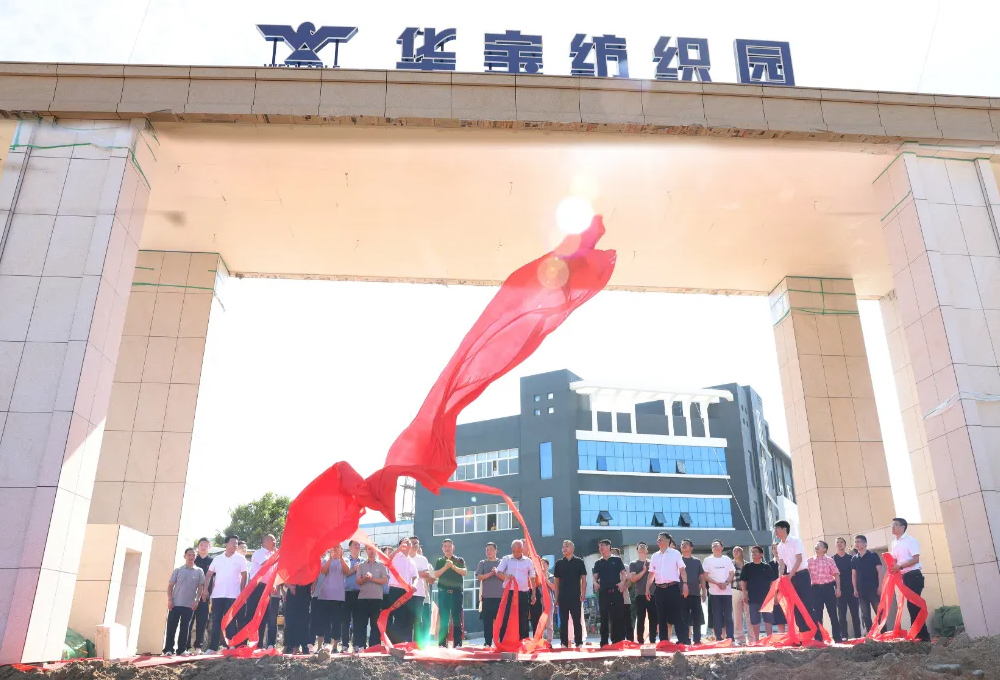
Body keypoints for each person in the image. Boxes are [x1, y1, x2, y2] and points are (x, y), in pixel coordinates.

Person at [889, 517, 930, 642]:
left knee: (914, 606)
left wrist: (900, 566)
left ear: (902, 527)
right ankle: (918, 635)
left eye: (895, 525)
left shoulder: (910, 540)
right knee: (911, 607)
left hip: (914, 575)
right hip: (905, 577)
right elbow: (895, 560)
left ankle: (923, 637)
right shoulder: (894, 543)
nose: (892, 527)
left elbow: (915, 559)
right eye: (892, 525)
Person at [205, 535, 248, 653]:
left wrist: (242, 593)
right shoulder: (217, 558)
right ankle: (213, 647)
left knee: (230, 621)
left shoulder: (240, 559)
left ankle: (231, 645)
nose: (235, 545)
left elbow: (244, 575)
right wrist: (205, 590)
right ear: (226, 544)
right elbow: (209, 574)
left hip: (233, 595)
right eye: (233, 543)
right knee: (216, 621)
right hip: (217, 595)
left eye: (237, 543)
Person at [647, 532, 689, 645]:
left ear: (668, 540)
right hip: (659, 589)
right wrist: (647, 587)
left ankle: (682, 640)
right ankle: (664, 641)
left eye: (661, 539)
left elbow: (682, 570)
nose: (658, 541)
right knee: (661, 616)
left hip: (672, 588)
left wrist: (685, 584)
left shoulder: (675, 553)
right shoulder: (654, 556)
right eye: (658, 539)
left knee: (676, 615)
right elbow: (651, 573)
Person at [163, 548, 205, 655]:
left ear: (196, 557)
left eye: (193, 555)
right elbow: (170, 586)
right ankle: (168, 649)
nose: (191, 557)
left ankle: (181, 650)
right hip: (175, 604)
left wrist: (197, 600)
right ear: (185, 556)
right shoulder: (178, 570)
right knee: (171, 627)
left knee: (185, 628)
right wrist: (169, 600)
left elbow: (200, 587)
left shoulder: (199, 571)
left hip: (189, 605)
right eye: (189, 555)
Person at [774, 520, 811, 635]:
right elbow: (781, 564)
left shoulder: (795, 541)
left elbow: (799, 559)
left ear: (784, 529)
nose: (775, 531)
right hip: (791, 577)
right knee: (795, 606)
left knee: (806, 604)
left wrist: (790, 575)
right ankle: (803, 634)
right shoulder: (779, 546)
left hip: (801, 574)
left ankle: (815, 634)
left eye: (777, 528)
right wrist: (781, 578)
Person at [496, 540, 536, 641]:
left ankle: (523, 640)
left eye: (518, 551)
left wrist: (533, 594)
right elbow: (498, 572)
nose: (515, 553)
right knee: (506, 615)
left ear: (522, 549)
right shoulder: (506, 559)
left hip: (523, 592)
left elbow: (532, 577)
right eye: (513, 551)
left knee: (523, 617)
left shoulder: (528, 561)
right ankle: (503, 640)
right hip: (509, 592)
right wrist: (506, 576)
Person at [313, 545, 349, 651]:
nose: (336, 549)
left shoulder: (345, 560)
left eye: (338, 547)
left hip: (338, 596)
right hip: (324, 595)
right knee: (323, 621)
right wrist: (330, 558)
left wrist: (340, 558)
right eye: (334, 547)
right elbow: (323, 572)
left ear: (341, 549)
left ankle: (335, 647)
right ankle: (320, 646)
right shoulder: (325, 560)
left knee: (336, 622)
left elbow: (347, 571)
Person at [245, 534, 278, 650]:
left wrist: (273, 584)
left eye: (275, 540)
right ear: (264, 542)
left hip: (266, 587)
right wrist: (279, 556)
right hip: (256, 586)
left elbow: (273, 572)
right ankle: (243, 642)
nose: (275, 542)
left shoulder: (272, 554)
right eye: (272, 540)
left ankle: (258, 644)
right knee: (251, 614)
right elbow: (266, 564)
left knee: (263, 615)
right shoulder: (260, 553)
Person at [592, 539, 626, 647]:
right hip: (604, 592)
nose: (600, 548)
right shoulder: (598, 562)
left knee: (617, 616)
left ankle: (618, 640)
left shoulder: (617, 560)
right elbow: (595, 577)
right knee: (604, 617)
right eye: (599, 546)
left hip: (616, 591)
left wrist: (622, 583)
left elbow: (624, 574)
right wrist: (595, 583)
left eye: (602, 545)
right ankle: (604, 642)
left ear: (608, 547)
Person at [433, 538, 467, 647]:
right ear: (442, 548)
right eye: (445, 546)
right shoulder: (439, 561)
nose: (447, 548)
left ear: (453, 547)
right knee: (444, 619)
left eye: (449, 546)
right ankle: (442, 644)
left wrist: (453, 566)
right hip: (443, 593)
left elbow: (464, 572)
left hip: (456, 593)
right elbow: (435, 575)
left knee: (457, 618)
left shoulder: (459, 560)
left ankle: (458, 643)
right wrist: (445, 567)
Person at [554, 539, 587, 648]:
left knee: (577, 620)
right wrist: (556, 598)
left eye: (567, 546)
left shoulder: (579, 562)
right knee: (563, 621)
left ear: (572, 548)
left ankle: (579, 643)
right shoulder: (559, 563)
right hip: (563, 597)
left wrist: (583, 593)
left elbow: (584, 579)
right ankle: (563, 643)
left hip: (575, 596)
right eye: (563, 546)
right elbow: (556, 582)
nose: (564, 548)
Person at [355, 544, 389, 650]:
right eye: (369, 549)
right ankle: (361, 645)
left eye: (374, 549)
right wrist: (365, 578)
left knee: (375, 624)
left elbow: (384, 580)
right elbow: (358, 581)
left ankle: (374, 646)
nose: (372, 551)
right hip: (363, 598)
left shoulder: (381, 565)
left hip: (377, 599)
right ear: (366, 550)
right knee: (362, 623)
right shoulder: (361, 565)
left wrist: (372, 578)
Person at [806, 540, 841, 642]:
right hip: (815, 590)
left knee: (833, 614)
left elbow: (836, 574)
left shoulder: (829, 560)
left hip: (828, 588)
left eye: (820, 545)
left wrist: (838, 588)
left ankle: (837, 637)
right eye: (816, 545)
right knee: (817, 615)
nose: (817, 546)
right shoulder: (809, 561)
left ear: (825, 549)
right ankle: (819, 638)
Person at [740, 546, 775, 642]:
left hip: (766, 598)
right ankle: (757, 639)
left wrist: (773, 595)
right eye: (752, 552)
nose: (753, 554)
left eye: (755, 552)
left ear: (761, 554)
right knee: (755, 619)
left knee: (768, 619)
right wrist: (744, 594)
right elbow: (743, 581)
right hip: (753, 597)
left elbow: (772, 582)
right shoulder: (747, 567)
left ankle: (769, 638)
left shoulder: (766, 567)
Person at [386, 537, 417, 643]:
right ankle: (396, 643)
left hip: (407, 592)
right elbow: (387, 560)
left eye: (409, 543)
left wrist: (414, 585)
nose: (407, 544)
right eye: (405, 542)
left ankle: (407, 642)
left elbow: (415, 576)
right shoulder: (396, 556)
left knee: (407, 617)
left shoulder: (412, 561)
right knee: (398, 616)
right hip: (395, 590)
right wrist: (398, 550)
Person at [703, 540, 736, 642]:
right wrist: (717, 583)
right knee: (716, 616)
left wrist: (726, 583)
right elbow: (705, 575)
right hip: (714, 592)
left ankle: (730, 637)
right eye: (713, 545)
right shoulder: (708, 560)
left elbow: (731, 573)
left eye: (717, 544)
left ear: (722, 547)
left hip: (727, 592)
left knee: (728, 616)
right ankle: (718, 637)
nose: (715, 546)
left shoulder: (727, 559)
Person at [852, 534, 883, 634]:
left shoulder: (873, 555)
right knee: (865, 614)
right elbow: (854, 575)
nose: (856, 544)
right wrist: (855, 589)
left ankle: (883, 634)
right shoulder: (854, 558)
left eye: (859, 541)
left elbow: (879, 571)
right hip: (861, 591)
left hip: (874, 589)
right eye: (855, 542)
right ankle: (870, 635)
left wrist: (880, 586)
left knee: (879, 612)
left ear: (865, 543)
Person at [833, 537, 861, 640]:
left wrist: (856, 588)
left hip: (852, 589)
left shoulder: (851, 558)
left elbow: (855, 573)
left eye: (841, 542)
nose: (839, 544)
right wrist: (837, 589)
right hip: (839, 590)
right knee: (841, 614)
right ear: (835, 545)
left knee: (855, 613)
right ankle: (844, 635)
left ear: (845, 545)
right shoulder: (832, 559)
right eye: (837, 542)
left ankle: (858, 635)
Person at [629, 542, 657, 644]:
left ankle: (653, 639)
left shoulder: (653, 563)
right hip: (640, 594)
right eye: (640, 546)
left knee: (653, 618)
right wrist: (643, 571)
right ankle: (640, 640)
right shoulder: (633, 564)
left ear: (647, 550)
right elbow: (633, 579)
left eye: (644, 546)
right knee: (641, 618)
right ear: (637, 550)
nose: (642, 547)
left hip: (653, 594)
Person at [476, 542, 503, 645]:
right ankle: (488, 642)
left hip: (500, 597)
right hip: (486, 597)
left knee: (500, 621)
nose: (489, 552)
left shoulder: (501, 562)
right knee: (487, 622)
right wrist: (491, 573)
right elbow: (479, 577)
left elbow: (506, 577)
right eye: (487, 550)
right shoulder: (482, 563)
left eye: (491, 549)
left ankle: (501, 642)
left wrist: (497, 573)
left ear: (496, 551)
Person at [679, 538, 704, 645]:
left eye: (686, 544)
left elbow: (702, 577)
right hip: (681, 594)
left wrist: (704, 591)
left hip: (695, 593)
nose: (684, 545)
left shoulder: (697, 561)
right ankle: (685, 639)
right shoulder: (678, 560)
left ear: (691, 548)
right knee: (683, 618)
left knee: (696, 618)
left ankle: (697, 639)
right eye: (682, 544)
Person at [408, 537, 433, 646]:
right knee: (407, 620)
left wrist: (412, 573)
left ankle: (417, 644)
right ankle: (407, 644)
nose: (414, 545)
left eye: (416, 543)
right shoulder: (404, 558)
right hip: (406, 594)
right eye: (412, 543)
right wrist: (418, 573)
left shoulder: (423, 559)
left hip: (419, 594)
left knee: (418, 620)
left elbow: (427, 574)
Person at [190, 538, 214, 653]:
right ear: (198, 547)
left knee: (202, 621)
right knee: (188, 621)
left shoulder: (213, 561)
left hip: (205, 596)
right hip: (191, 595)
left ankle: (198, 646)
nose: (203, 547)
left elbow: (215, 579)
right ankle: (184, 647)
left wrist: (210, 593)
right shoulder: (193, 559)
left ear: (209, 547)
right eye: (201, 545)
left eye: (206, 545)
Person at [343, 541, 364, 650]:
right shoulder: (345, 561)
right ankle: (345, 645)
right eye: (355, 544)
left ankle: (357, 644)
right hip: (346, 593)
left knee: (358, 620)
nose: (357, 546)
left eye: (358, 545)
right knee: (345, 620)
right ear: (350, 547)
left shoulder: (364, 561)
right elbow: (343, 574)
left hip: (360, 593)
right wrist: (354, 570)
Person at [731, 546, 748, 645]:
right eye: (734, 550)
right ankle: (739, 639)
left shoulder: (748, 564)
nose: (736, 552)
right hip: (735, 590)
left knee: (749, 615)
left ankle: (752, 638)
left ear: (742, 553)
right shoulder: (730, 564)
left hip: (747, 591)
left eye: (738, 550)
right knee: (737, 616)